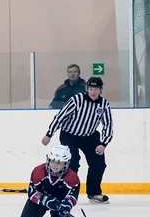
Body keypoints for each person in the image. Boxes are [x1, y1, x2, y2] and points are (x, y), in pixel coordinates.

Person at [41, 76, 113, 204]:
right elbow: (60, 117)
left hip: (90, 136)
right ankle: (65, 191)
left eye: (96, 89)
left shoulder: (104, 104)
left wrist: (103, 143)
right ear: (87, 89)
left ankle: (94, 193)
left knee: (98, 164)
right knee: (73, 162)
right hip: (70, 135)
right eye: (91, 88)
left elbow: (108, 125)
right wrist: (49, 134)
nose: (93, 92)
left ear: (100, 90)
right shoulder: (76, 100)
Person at [16, 145, 80, 217]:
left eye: (60, 162)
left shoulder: (72, 177)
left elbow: (73, 196)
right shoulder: (38, 172)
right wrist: (46, 200)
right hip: (41, 197)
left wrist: (66, 205)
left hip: (60, 200)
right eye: (53, 161)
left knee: (62, 215)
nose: (55, 165)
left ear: (66, 163)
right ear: (48, 160)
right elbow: (32, 193)